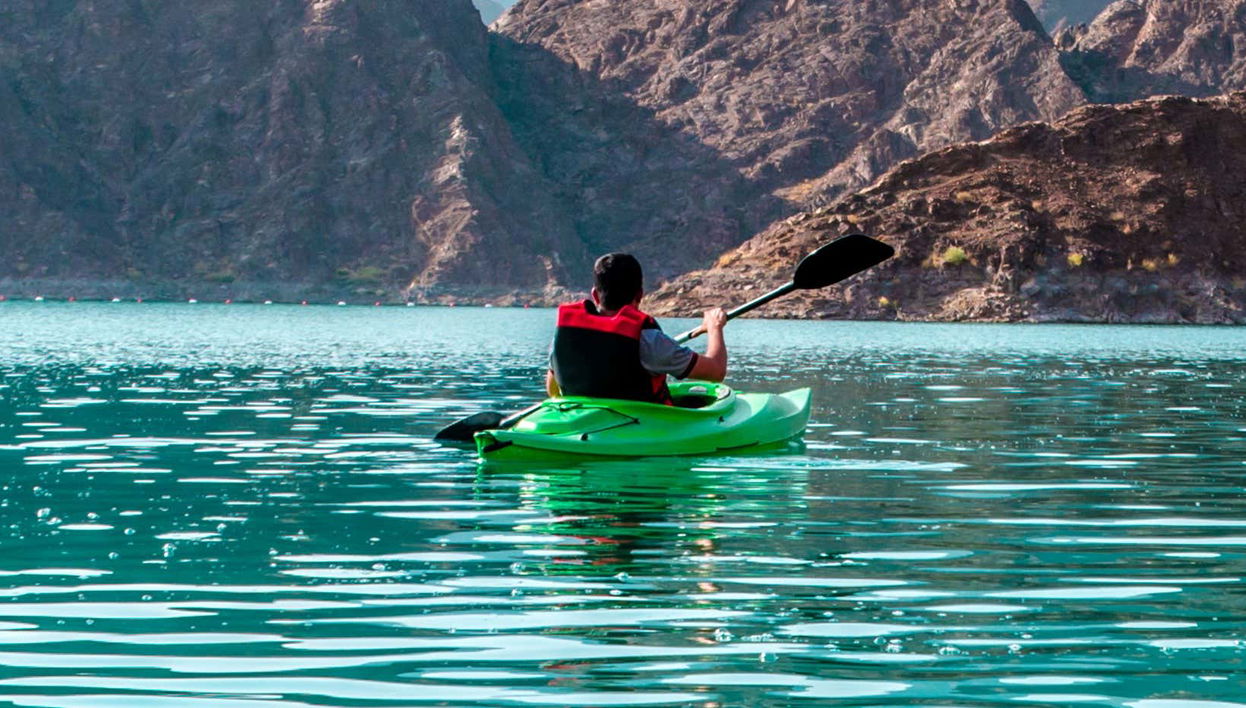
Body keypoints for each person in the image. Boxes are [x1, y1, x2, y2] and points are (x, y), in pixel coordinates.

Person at [546, 253, 727, 404]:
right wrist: (714, 327)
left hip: (583, 426)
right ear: (640, 294)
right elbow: (716, 371)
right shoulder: (650, 341)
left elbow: (552, 389)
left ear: (595, 295)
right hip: (637, 430)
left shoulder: (565, 335)